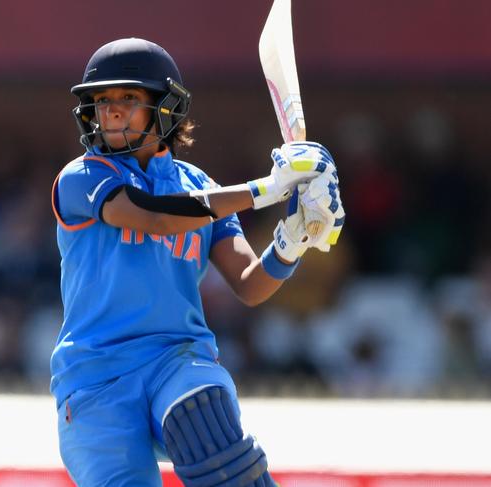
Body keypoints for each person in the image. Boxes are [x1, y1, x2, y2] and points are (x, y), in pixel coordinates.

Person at [50, 38, 344, 487]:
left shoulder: (197, 184)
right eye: (102, 100)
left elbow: (249, 283)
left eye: (128, 98)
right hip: (96, 380)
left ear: (165, 107)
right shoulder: (82, 177)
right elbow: (154, 216)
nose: (110, 110)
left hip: (176, 358)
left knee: (209, 430)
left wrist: (293, 240)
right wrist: (268, 188)